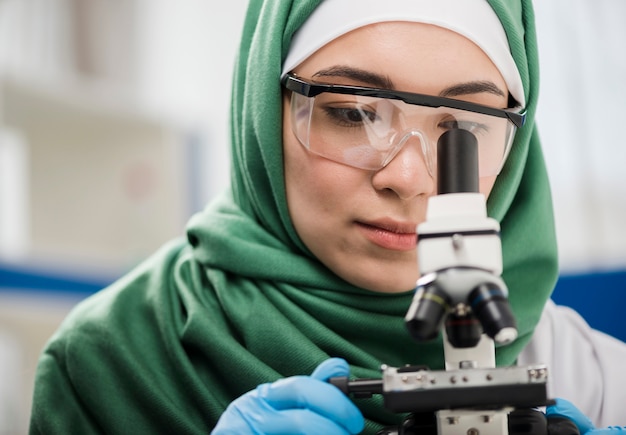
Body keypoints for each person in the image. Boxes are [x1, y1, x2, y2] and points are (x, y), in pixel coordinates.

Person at [29, 0, 626, 434]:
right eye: (352, 112)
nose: (409, 179)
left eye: (464, 128)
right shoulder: (108, 359)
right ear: (264, 108)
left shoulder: (597, 379)